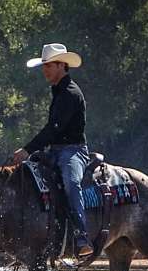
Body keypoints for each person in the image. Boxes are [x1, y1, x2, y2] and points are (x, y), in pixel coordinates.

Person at [12, 43, 92, 255]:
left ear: (61, 66)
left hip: (73, 151)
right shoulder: (59, 92)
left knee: (71, 183)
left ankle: (81, 236)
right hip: (56, 150)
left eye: (48, 66)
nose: (44, 70)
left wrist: (27, 150)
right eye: (44, 66)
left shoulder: (70, 93)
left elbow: (54, 129)